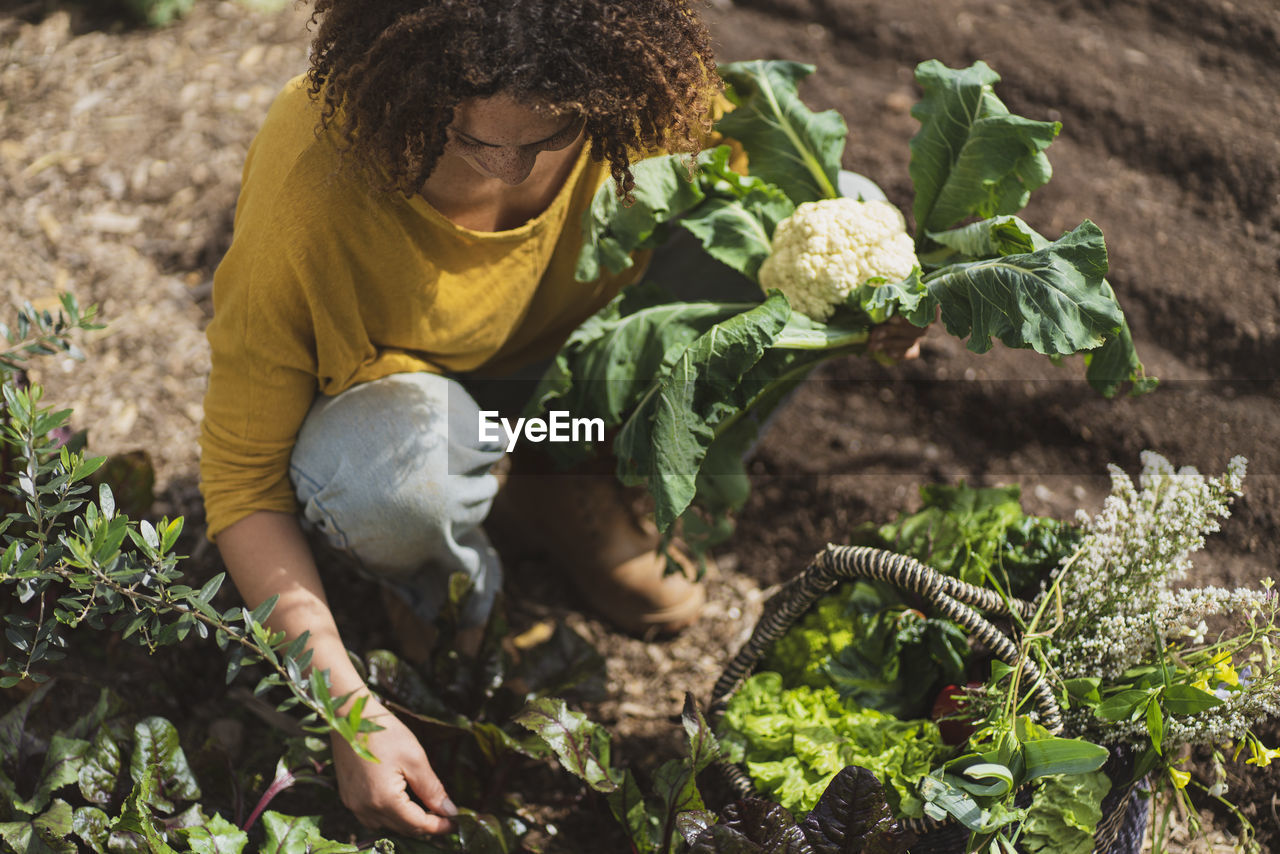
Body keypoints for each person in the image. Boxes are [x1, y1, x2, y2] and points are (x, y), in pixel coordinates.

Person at [200, 0, 924, 838]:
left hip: (561, 393)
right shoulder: (316, 177)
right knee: (396, 483)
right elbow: (241, 485)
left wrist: (872, 305)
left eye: (548, 141)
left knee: (807, 247)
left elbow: (814, 220)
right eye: (475, 141)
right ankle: (442, 593)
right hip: (408, 411)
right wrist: (346, 712)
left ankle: (565, 483)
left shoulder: (635, 98)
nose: (510, 171)